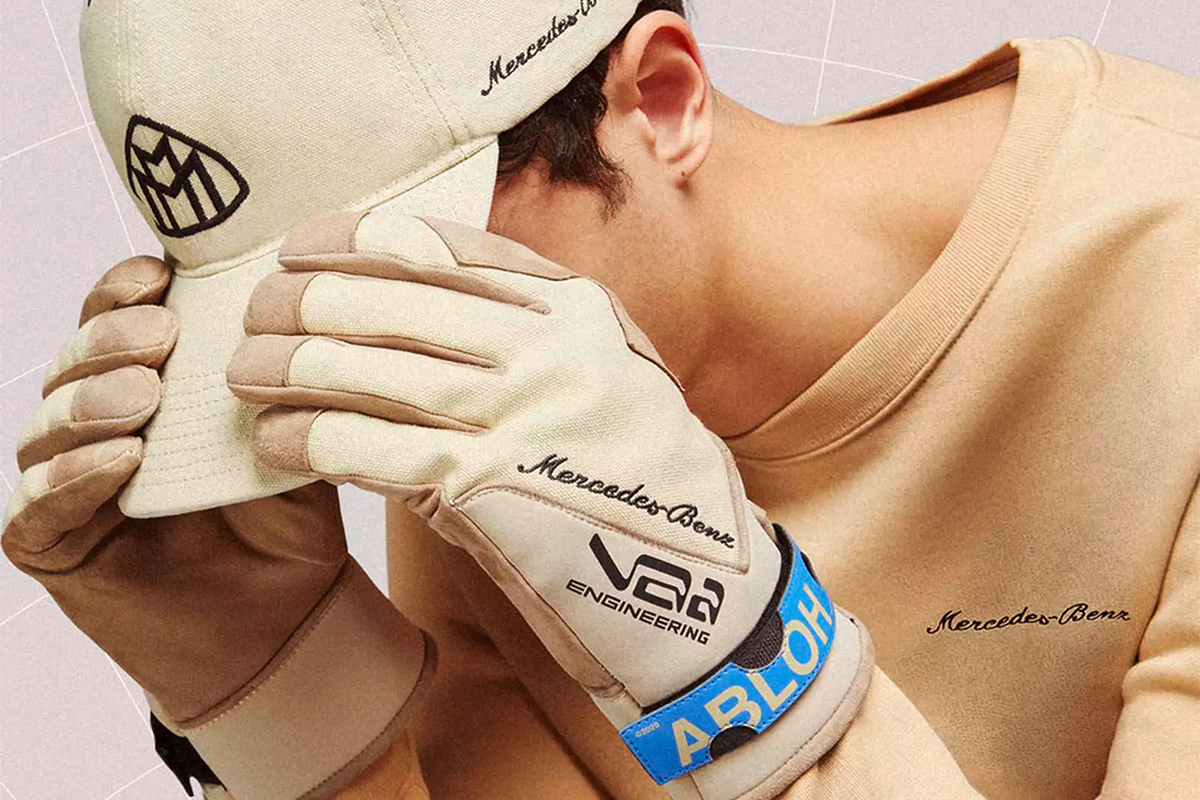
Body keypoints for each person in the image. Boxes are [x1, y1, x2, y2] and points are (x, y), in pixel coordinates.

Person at [3, 2, 1197, 800]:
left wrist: (748, 672)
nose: (355, 360)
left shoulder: (1169, 282)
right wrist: (292, 710)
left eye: (406, 264)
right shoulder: (485, 407)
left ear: (664, 99)